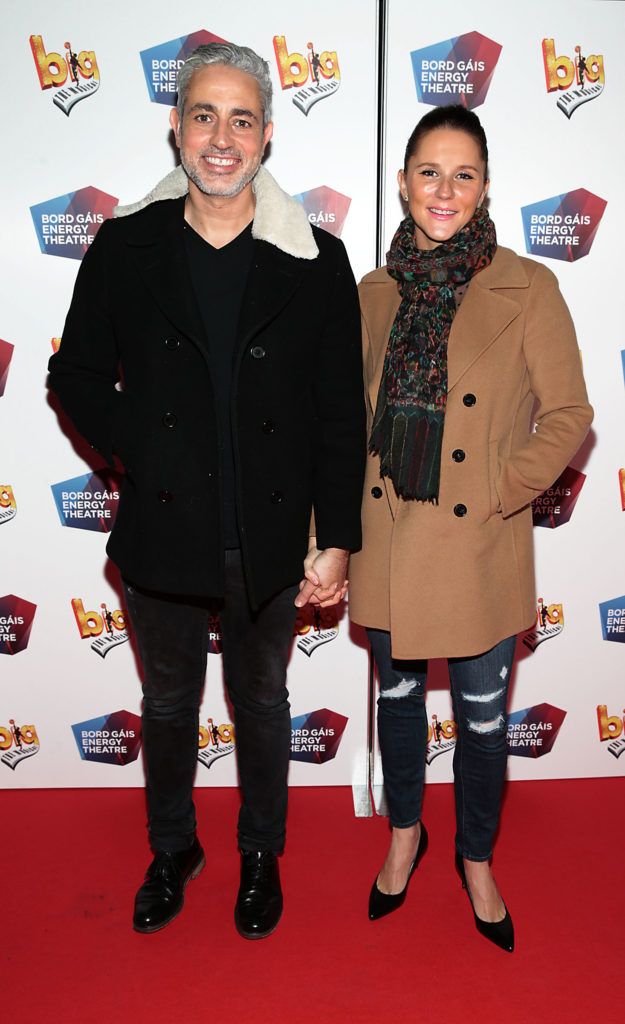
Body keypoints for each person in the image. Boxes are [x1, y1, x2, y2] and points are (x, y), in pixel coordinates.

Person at [48, 42, 365, 939]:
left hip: (267, 534)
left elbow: (343, 413)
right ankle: (173, 846)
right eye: (203, 115)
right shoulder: (124, 246)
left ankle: (261, 851)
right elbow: (72, 376)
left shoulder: (316, 260)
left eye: (241, 119)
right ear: (175, 129)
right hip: (163, 528)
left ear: (265, 137)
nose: (220, 138)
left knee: (263, 703)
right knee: (166, 703)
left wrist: (335, 536)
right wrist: (136, 450)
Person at [348, 105, 592, 952]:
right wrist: (331, 536)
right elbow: (346, 424)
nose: (442, 190)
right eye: (427, 172)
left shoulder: (530, 287)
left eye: (462, 174)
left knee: (484, 723)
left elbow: (567, 415)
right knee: (400, 705)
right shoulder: (373, 292)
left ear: (485, 185)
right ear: (403, 181)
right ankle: (405, 835)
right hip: (388, 543)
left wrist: (499, 486)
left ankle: (476, 856)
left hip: (479, 542)